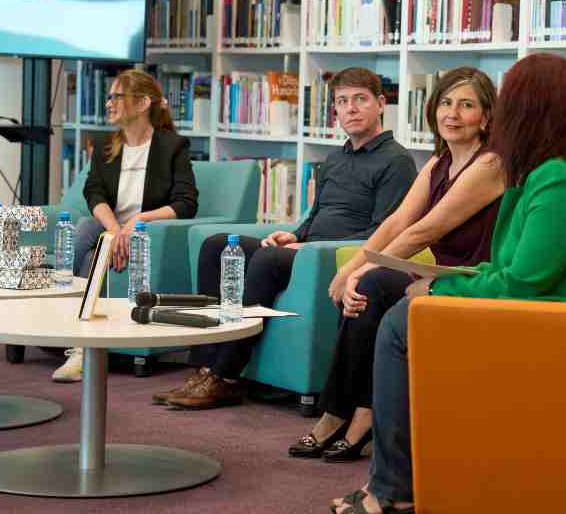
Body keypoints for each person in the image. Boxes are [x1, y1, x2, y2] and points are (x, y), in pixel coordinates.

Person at [330, 53, 566, 513]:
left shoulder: (561, 181)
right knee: (403, 313)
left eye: (508, 105)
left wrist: (438, 289)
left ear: (531, 112)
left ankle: (392, 491)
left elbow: (521, 282)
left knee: (402, 321)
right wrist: (447, 284)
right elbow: (514, 270)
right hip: (554, 314)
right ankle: (393, 474)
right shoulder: (545, 174)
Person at [155, 67, 418, 409]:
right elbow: (316, 216)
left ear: (380, 104)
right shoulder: (335, 158)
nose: (350, 108)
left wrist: (306, 247)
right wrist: (292, 234)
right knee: (218, 245)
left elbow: (382, 231)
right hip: (305, 249)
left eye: (360, 100)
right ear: (334, 110)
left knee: (267, 259)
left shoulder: (397, 161)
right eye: (342, 101)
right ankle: (206, 366)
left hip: (338, 261)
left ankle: (226, 376)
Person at [288, 67, 504, 463]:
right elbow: (397, 221)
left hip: (476, 280)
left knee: (370, 284)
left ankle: (357, 417)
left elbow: (423, 231)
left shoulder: (491, 164)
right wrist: (349, 268)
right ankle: (340, 412)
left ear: (487, 117)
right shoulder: (440, 161)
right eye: (445, 103)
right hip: (438, 276)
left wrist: (361, 271)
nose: (452, 114)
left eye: (467, 105)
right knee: (365, 290)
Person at [53, 69, 199, 382]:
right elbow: (94, 193)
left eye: (116, 96)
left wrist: (137, 221)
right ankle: (58, 315)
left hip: (145, 233)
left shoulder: (172, 146)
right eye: (109, 97)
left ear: (143, 102)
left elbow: (186, 203)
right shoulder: (105, 145)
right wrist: (115, 232)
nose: (108, 103)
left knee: (94, 257)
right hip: (110, 228)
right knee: (82, 228)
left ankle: (81, 346)